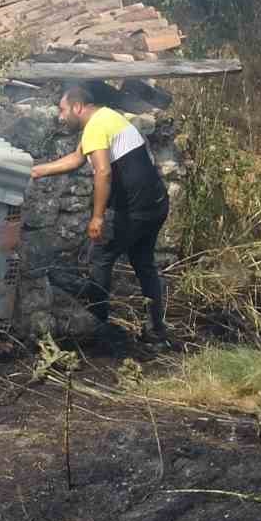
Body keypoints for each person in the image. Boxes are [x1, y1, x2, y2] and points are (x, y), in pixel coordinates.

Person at [30, 84, 171, 346]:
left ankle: (96, 326)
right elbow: (75, 159)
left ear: (78, 107)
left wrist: (97, 217)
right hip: (156, 203)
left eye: (63, 110)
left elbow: (103, 172)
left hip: (135, 209)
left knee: (100, 257)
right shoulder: (107, 117)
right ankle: (156, 329)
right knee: (143, 263)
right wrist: (37, 171)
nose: (61, 117)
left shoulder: (96, 126)